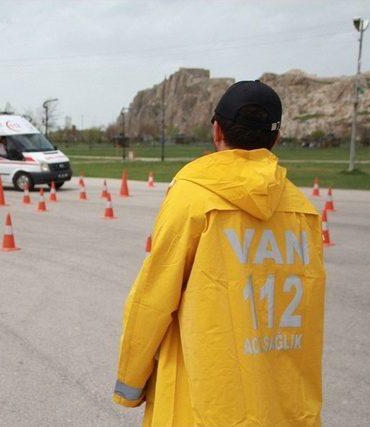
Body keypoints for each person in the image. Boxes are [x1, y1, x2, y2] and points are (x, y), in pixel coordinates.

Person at [113, 81, 325, 426]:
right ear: (276, 137)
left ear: (216, 130)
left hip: (201, 402)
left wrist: (130, 383)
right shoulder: (304, 212)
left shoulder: (193, 199)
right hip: (281, 407)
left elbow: (152, 300)